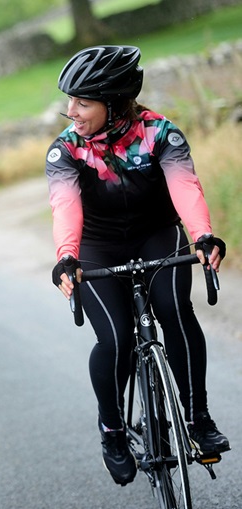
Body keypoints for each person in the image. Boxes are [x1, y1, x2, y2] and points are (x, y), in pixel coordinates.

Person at [46, 45, 231, 486]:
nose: (70, 111)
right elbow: (65, 205)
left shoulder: (161, 134)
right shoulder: (66, 150)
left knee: (175, 314)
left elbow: (185, 187)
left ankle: (197, 417)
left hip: (156, 234)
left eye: (82, 102)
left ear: (113, 103)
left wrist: (203, 235)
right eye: (69, 100)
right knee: (115, 339)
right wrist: (66, 255)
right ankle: (112, 431)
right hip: (97, 245)